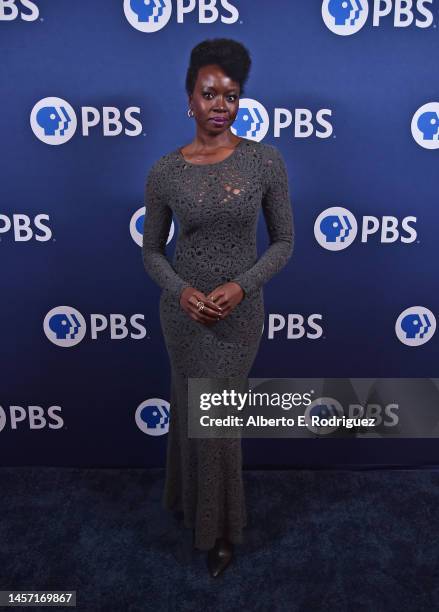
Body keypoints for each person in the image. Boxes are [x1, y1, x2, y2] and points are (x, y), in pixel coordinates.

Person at [142, 38, 294, 577]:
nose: (220, 104)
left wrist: (242, 287)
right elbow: (152, 251)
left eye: (230, 95)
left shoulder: (265, 161)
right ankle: (190, 505)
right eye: (209, 94)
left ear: (240, 102)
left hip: (239, 318)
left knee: (217, 421)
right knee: (191, 411)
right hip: (181, 317)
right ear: (190, 100)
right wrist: (180, 291)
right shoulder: (164, 171)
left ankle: (222, 531)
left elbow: (284, 242)